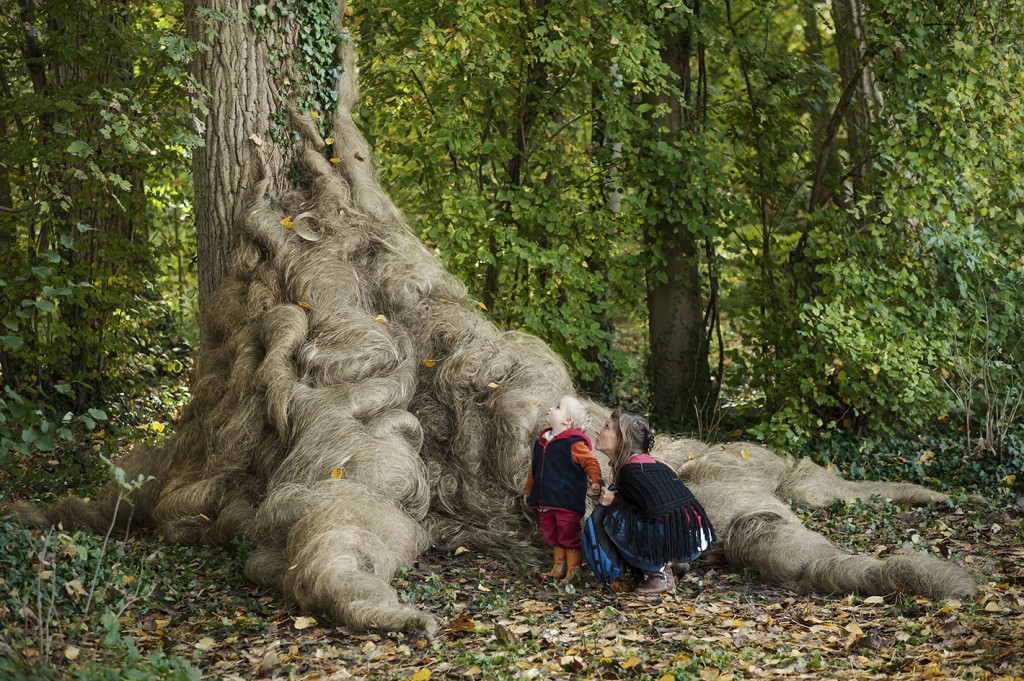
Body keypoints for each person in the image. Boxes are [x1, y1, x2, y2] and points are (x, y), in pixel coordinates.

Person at [594, 410, 715, 594]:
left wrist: (615, 501)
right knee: (622, 515)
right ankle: (676, 562)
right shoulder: (646, 463)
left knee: (613, 520)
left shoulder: (632, 470)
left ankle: (660, 576)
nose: (597, 430)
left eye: (606, 427)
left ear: (622, 439)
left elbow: (653, 512)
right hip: (693, 536)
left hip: (686, 537)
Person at [524, 396, 603, 582]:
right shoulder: (543, 441)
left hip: (566, 501)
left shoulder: (574, 443)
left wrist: (595, 481)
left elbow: (591, 462)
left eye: (558, 407)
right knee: (552, 534)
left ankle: (573, 571)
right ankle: (558, 568)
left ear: (567, 420)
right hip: (546, 500)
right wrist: (528, 490)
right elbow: (533, 469)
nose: (551, 408)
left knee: (568, 534)